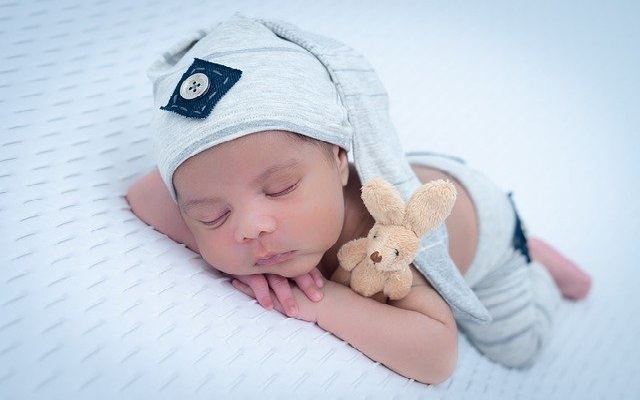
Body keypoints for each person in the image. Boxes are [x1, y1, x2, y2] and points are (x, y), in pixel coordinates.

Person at [126, 15, 591, 384]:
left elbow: (437, 355)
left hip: (485, 228)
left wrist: (320, 301)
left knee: (516, 349)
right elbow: (146, 193)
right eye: (213, 214)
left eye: (280, 188)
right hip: (424, 168)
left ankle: (532, 257)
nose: (250, 228)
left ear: (338, 157)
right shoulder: (268, 204)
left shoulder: (387, 238)